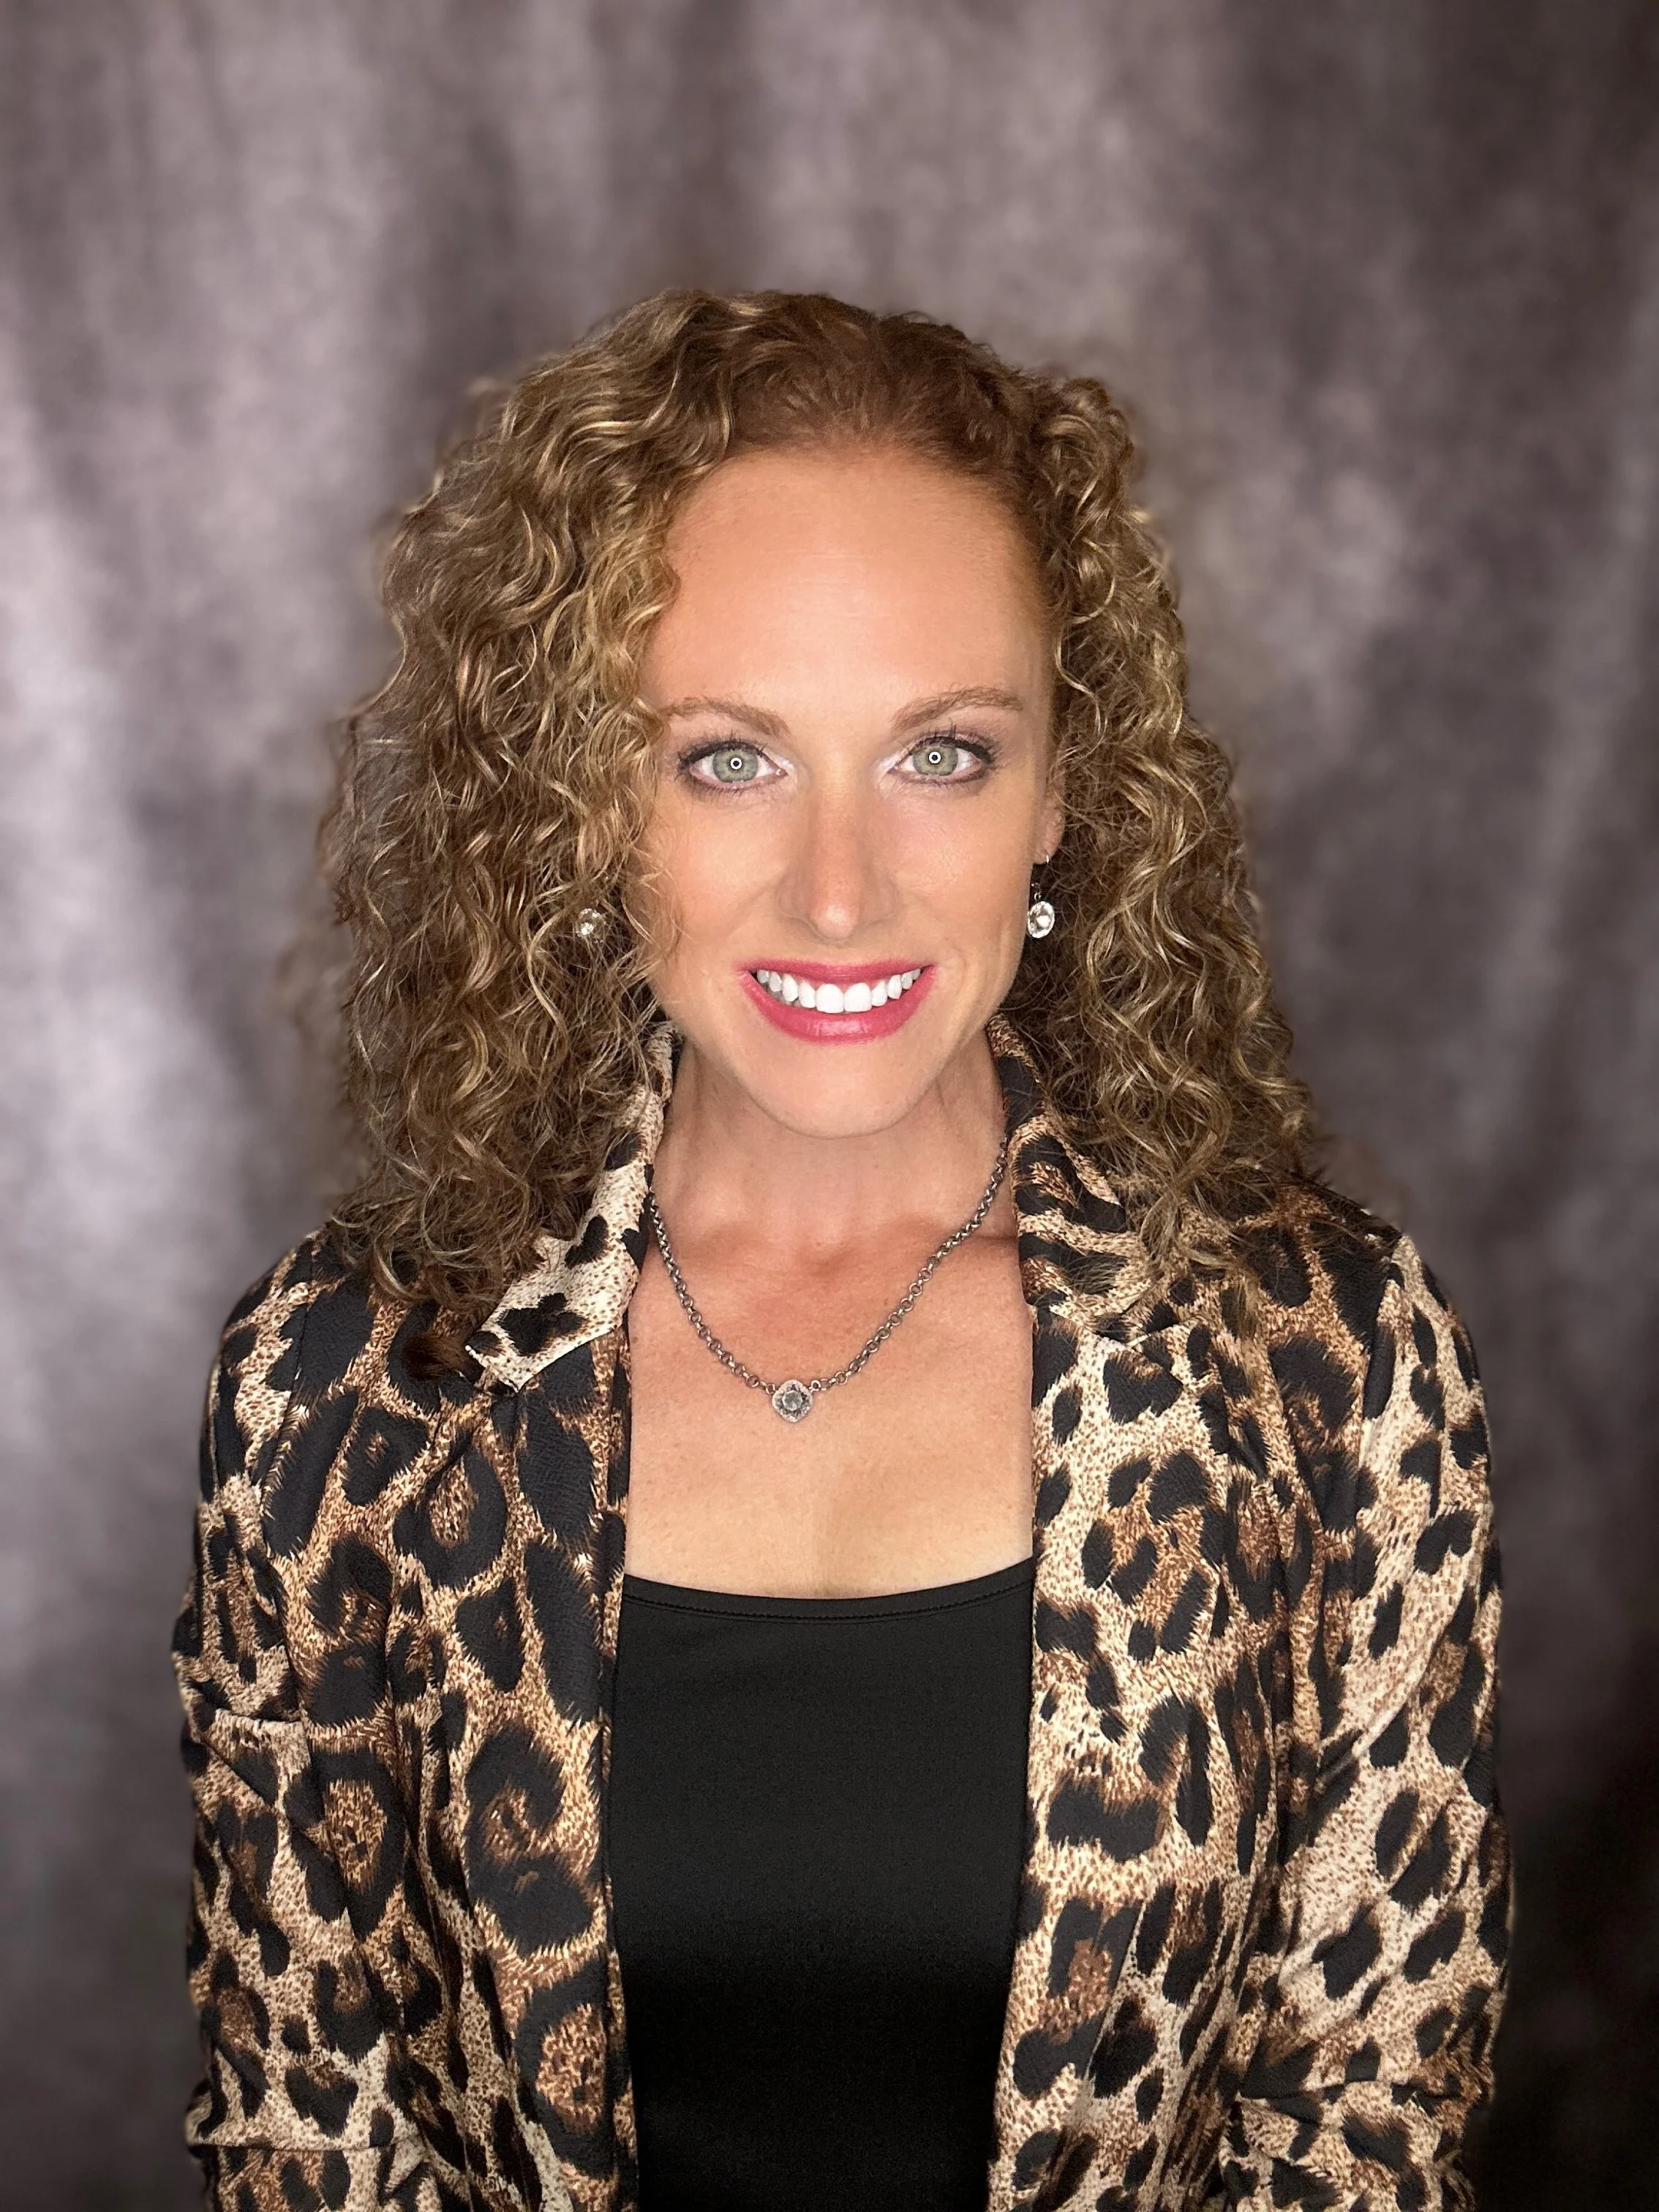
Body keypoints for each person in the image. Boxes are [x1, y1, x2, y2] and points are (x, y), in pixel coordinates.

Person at [172, 290, 1511, 2212]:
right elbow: (309, 2142)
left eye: (939, 755)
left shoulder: (1331, 1373)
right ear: (581, 803)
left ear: (1064, 785)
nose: (835, 888)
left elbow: (1361, 2145)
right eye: (723, 757)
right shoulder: (346, 1392)